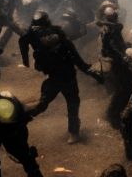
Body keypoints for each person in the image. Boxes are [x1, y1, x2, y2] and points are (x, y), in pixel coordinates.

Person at [18, 10, 103, 144]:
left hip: (66, 77)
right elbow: (81, 63)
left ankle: (73, 132)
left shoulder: (60, 42)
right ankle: (17, 121)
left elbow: (79, 62)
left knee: (70, 105)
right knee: (45, 104)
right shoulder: (37, 36)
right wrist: (25, 61)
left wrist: (95, 74)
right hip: (56, 78)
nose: (49, 42)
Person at [0, 77, 43, 177]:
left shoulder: (2, 99)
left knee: (23, 153)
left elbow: (22, 117)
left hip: (6, 124)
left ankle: (35, 173)